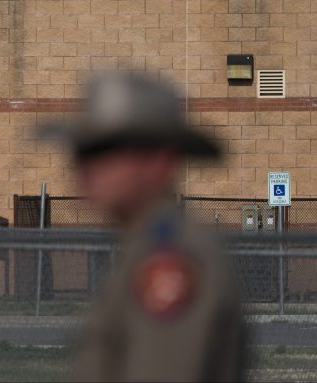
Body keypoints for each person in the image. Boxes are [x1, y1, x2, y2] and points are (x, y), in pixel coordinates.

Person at [41, 73, 244, 381]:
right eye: (82, 151)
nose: (84, 166)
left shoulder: (170, 261)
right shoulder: (144, 247)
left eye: (104, 151)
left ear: (159, 161)